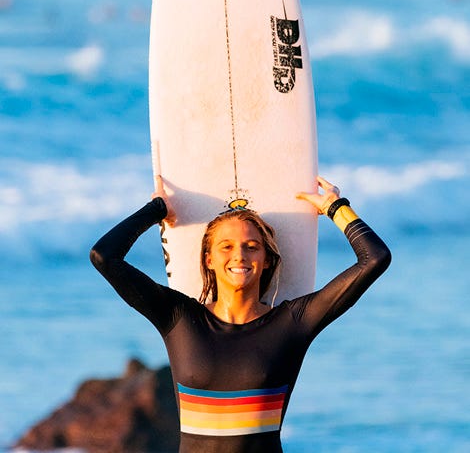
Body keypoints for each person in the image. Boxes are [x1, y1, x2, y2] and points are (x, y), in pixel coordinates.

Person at [90, 176, 391, 453]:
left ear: (266, 260)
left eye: (252, 247)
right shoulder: (179, 317)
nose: (240, 256)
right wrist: (157, 210)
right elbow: (104, 256)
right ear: (208, 259)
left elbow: (374, 258)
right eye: (226, 246)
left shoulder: (293, 323)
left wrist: (335, 207)